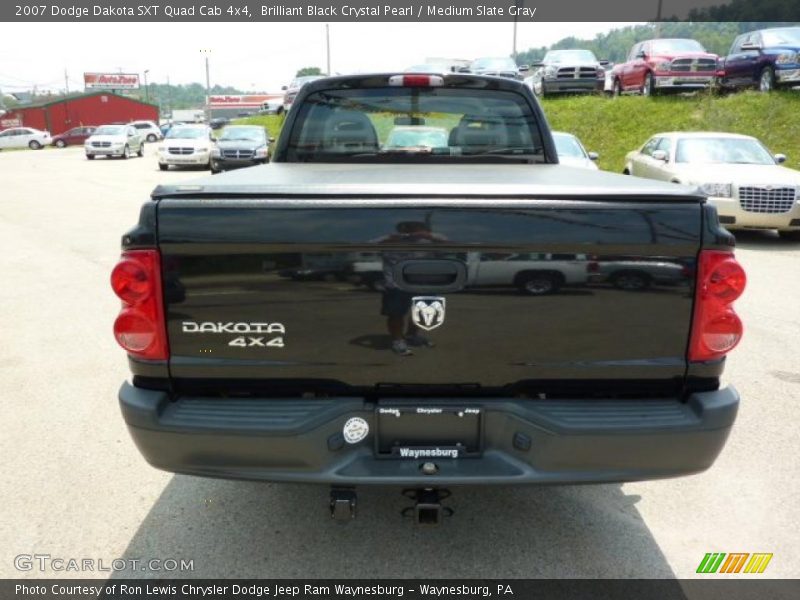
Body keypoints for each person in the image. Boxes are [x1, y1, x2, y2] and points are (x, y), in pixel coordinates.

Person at [376, 221, 446, 356]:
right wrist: (391, 239)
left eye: (414, 228)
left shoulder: (430, 240)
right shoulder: (388, 239)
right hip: (395, 284)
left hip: (424, 284)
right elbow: (367, 245)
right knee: (396, 314)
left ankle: (412, 335)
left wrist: (429, 237)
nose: (410, 231)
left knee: (423, 312)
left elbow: (453, 246)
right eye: (406, 228)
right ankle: (398, 340)